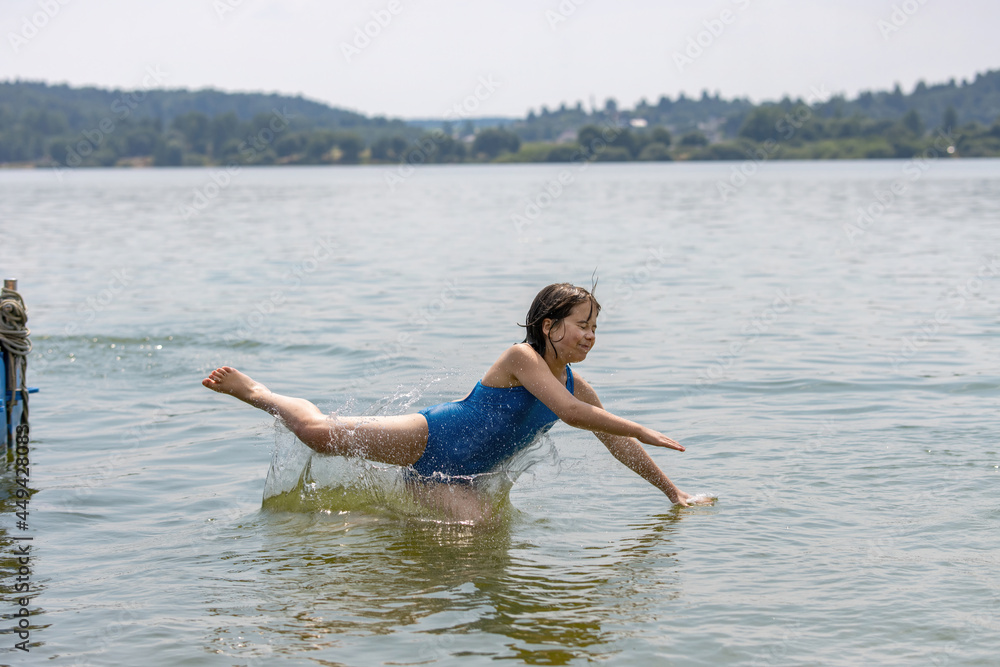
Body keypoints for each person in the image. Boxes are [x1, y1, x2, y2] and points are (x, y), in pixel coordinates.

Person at [202, 283, 702, 506]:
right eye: (582, 325)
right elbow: (572, 416)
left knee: (474, 542)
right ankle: (259, 392)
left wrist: (673, 493)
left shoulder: (577, 385)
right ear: (548, 326)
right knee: (316, 432)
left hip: (459, 477)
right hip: (428, 436)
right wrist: (636, 423)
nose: (591, 335)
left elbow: (613, 441)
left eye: (596, 327)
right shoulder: (520, 358)